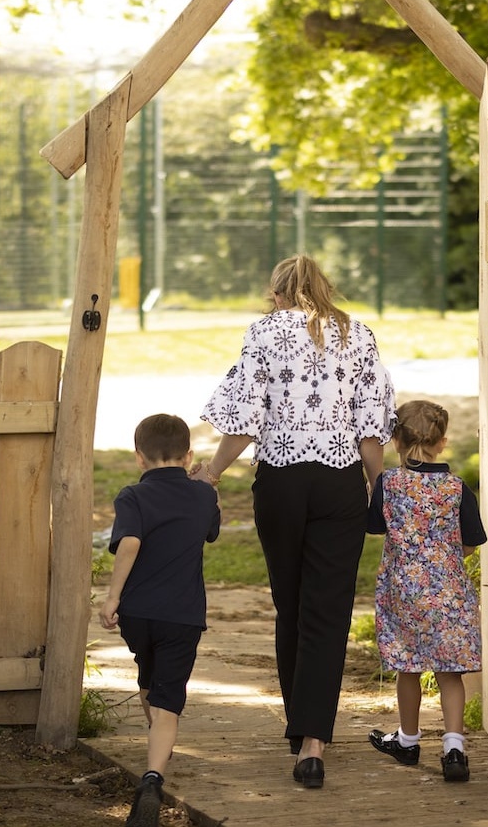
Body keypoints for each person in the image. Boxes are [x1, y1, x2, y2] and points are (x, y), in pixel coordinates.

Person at [191, 255, 397, 789]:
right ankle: (313, 743)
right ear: (324, 290)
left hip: (281, 480)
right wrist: (379, 484)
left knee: (291, 603)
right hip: (340, 481)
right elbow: (370, 423)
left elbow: (246, 415)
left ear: (278, 295)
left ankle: (298, 724)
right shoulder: (359, 334)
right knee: (327, 611)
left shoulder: (263, 333)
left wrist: (211, 473)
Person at [100, 413, 223, 827]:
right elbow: (210, 529)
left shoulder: (132, 496)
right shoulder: (202, 497)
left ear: (139, 458)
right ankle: (153, 778)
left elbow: (130, 542)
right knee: (168, 700)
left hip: (138, 613)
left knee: (147, 678)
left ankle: (158, 743)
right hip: (183, 616)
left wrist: (112, 596)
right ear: (189, 455)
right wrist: (207, 485)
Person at [364, 400, 485, 783]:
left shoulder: (390, 484)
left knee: (409, 668)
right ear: (443, 443)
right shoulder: (456, 488)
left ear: (396, 440)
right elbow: (471, 542)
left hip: (404, 593)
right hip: (449, 594)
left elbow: (375, 528)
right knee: (450, 674)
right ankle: (453, 748)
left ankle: (409, 739)